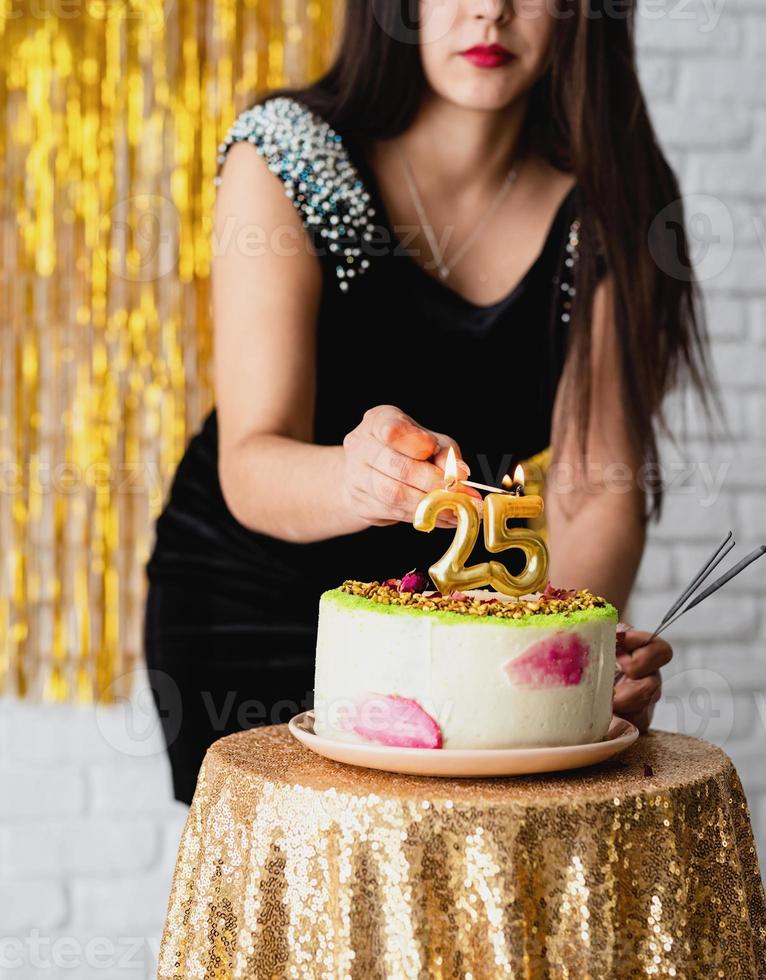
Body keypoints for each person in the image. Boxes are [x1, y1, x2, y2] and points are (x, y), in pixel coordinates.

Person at [145, 0, 713, 804]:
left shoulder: (616, 197)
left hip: (460, 622)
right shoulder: (286, 152)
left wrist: (569, 655)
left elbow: (596, 487)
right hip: (250, 597)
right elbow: (251, 460)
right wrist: (360, 477)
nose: (490, 11)